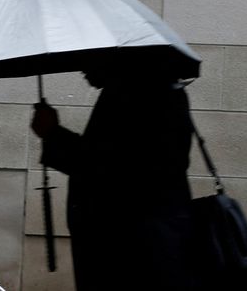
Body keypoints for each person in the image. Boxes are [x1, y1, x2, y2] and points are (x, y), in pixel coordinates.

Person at [31, 69, 201, 291]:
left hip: (132, 250)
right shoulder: (142, 89)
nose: (82, 68)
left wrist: (52, 134)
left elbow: (112, 171)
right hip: (139, 246)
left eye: (88, 58)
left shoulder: (140, 94)